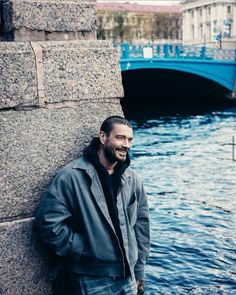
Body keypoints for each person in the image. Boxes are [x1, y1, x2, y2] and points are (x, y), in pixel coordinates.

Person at [35, 116, 150, 295]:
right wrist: (83, 249)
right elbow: (48, 224)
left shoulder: (132, 178)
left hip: (129, 277)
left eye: (129, 140)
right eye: (120, 138)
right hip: (92, 278)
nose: (126, 145)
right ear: (103, 137)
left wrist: (140, 270)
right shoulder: (71, 177)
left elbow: (141, 227)